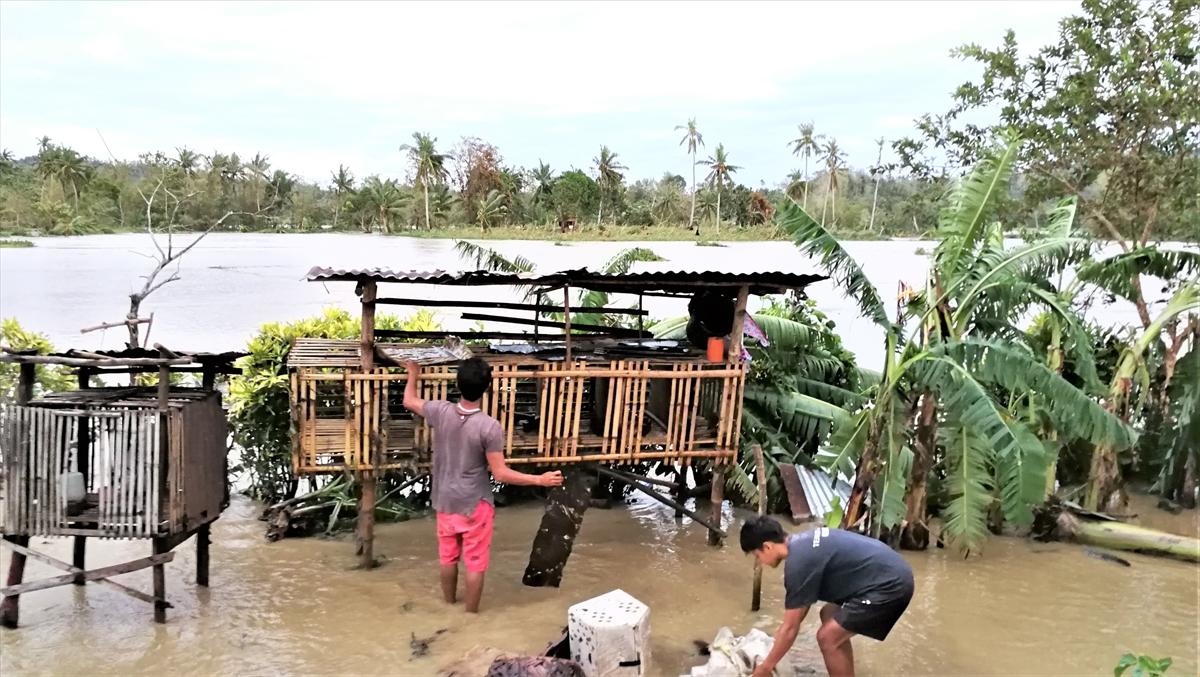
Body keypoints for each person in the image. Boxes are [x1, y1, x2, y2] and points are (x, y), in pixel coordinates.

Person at [404, 358, 563, 613]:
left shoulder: (441, 412)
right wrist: (539, 479)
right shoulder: (489, 427)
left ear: (458, 385)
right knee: (474, 564)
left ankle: (448, 607)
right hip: (475, 505)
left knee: (447, 558)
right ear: (487, 388)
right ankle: (470, 617)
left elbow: (409, 401)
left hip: (445, 501)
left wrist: (413, 373)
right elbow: (500, 474)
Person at [740, 515, 914, 677]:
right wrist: (775, 649)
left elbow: (790, 629)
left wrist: (765, 668)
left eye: (757, 556)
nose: (760, 562)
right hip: (892, 572)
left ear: (767, 546)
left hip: (891, 586)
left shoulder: (798, 565)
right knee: (828, 614)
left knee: (828, 637)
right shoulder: (802, 545)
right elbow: (795, 617)